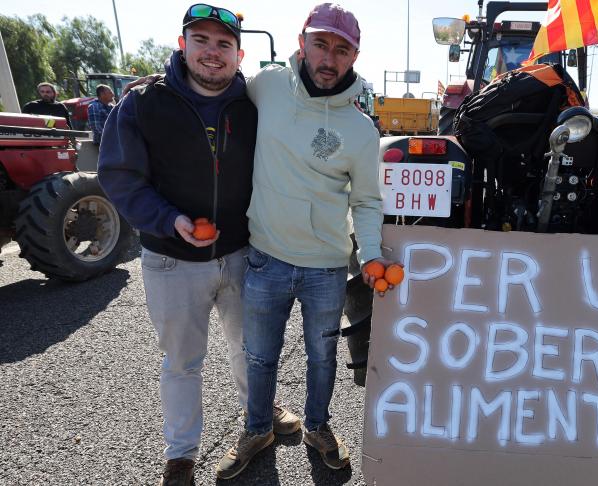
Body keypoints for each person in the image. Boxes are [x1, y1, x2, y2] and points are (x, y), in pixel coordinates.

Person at [97, 5, 299, 486]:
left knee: (251, 349)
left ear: (238, 54)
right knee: (182, 362)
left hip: (243, 254)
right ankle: (182, 454)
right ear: (183, 44)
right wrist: (169, 219)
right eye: (202, 40)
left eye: (223, 44)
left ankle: (262, 411)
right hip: (171, 259)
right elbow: (120, 176)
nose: (213, 52)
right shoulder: (144, 103)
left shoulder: (253, 106)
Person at [215, 2, 394, 478]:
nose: (329, 58)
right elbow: (215, 88)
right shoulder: (268, 86)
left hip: (326, 267)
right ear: (302, 43)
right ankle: (258, 428)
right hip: (265, 258)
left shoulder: (359, 130)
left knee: (322, 357)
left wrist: (371, 254)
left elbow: (368, 203)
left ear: (354, 57)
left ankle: (317, 426)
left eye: (341, 49)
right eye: (321, 44)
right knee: (259, 356)